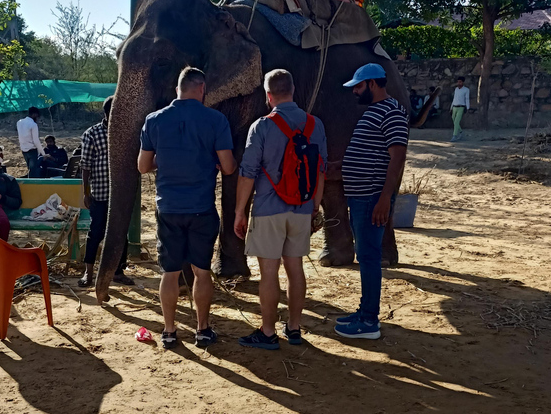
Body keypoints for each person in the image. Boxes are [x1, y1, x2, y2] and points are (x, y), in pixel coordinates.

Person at [138, 67, 237, 349]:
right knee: (202, 271)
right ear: (202, 88)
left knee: (169, 272)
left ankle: (169, 332)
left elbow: (143, 166)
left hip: (167, 208)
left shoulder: (154, 120)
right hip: (201, 208)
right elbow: (229, 167)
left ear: (177, 89)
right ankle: (202, 330)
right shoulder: (216, 120)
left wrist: (164, 162)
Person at [234, 69, 327, 350]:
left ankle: (267, 332)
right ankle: (295, 327)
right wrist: (313, 207)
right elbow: (321, 170)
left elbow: (248, 172)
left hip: (268, 208)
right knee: (295, 268)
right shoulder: (315, 125)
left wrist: (240, 211)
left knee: (269, 272)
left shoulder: (261, 126)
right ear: (294, 89)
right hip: (301, 208)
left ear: (268, 95)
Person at [335, 63, 408, 340]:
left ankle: (369, 321)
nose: (355, 91)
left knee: (368, 257)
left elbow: (397, 157)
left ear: (373, 84)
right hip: (362, 197)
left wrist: (384, 199)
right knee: (365, 256)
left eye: (358, 86)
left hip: (370, 198)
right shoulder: (375, 112)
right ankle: (365, 311)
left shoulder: (391, 112)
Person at [79, 96, 134, 287]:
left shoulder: (126, 133)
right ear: (107, 113)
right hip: (100, 194)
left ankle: (118, 272)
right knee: (96, 232)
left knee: (121, 233)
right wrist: (86, 193)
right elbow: (85, 166)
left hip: (120, 195)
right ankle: (89, 273)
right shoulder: (92, 134)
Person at [17, 107, 45, 177]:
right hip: (32, 150)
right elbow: (36, 141)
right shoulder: (33, 125)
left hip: (24, 149)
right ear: (35, 115)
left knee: (30, 169)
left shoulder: (19, 122)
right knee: (33, 171)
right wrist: (43, 153)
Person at [450, 76, 470, 142]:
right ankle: (461, 132)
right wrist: (451, 107)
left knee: (456, 121)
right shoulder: (456, 89)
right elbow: (454, 98)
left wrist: (468, 107)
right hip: (454, 106)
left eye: (460, 82)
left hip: (461, 107)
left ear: (463, 82)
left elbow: (467, 99)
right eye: (458, 82)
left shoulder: (466, 90)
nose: (459, 83)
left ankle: (454, 135)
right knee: (454, 120)